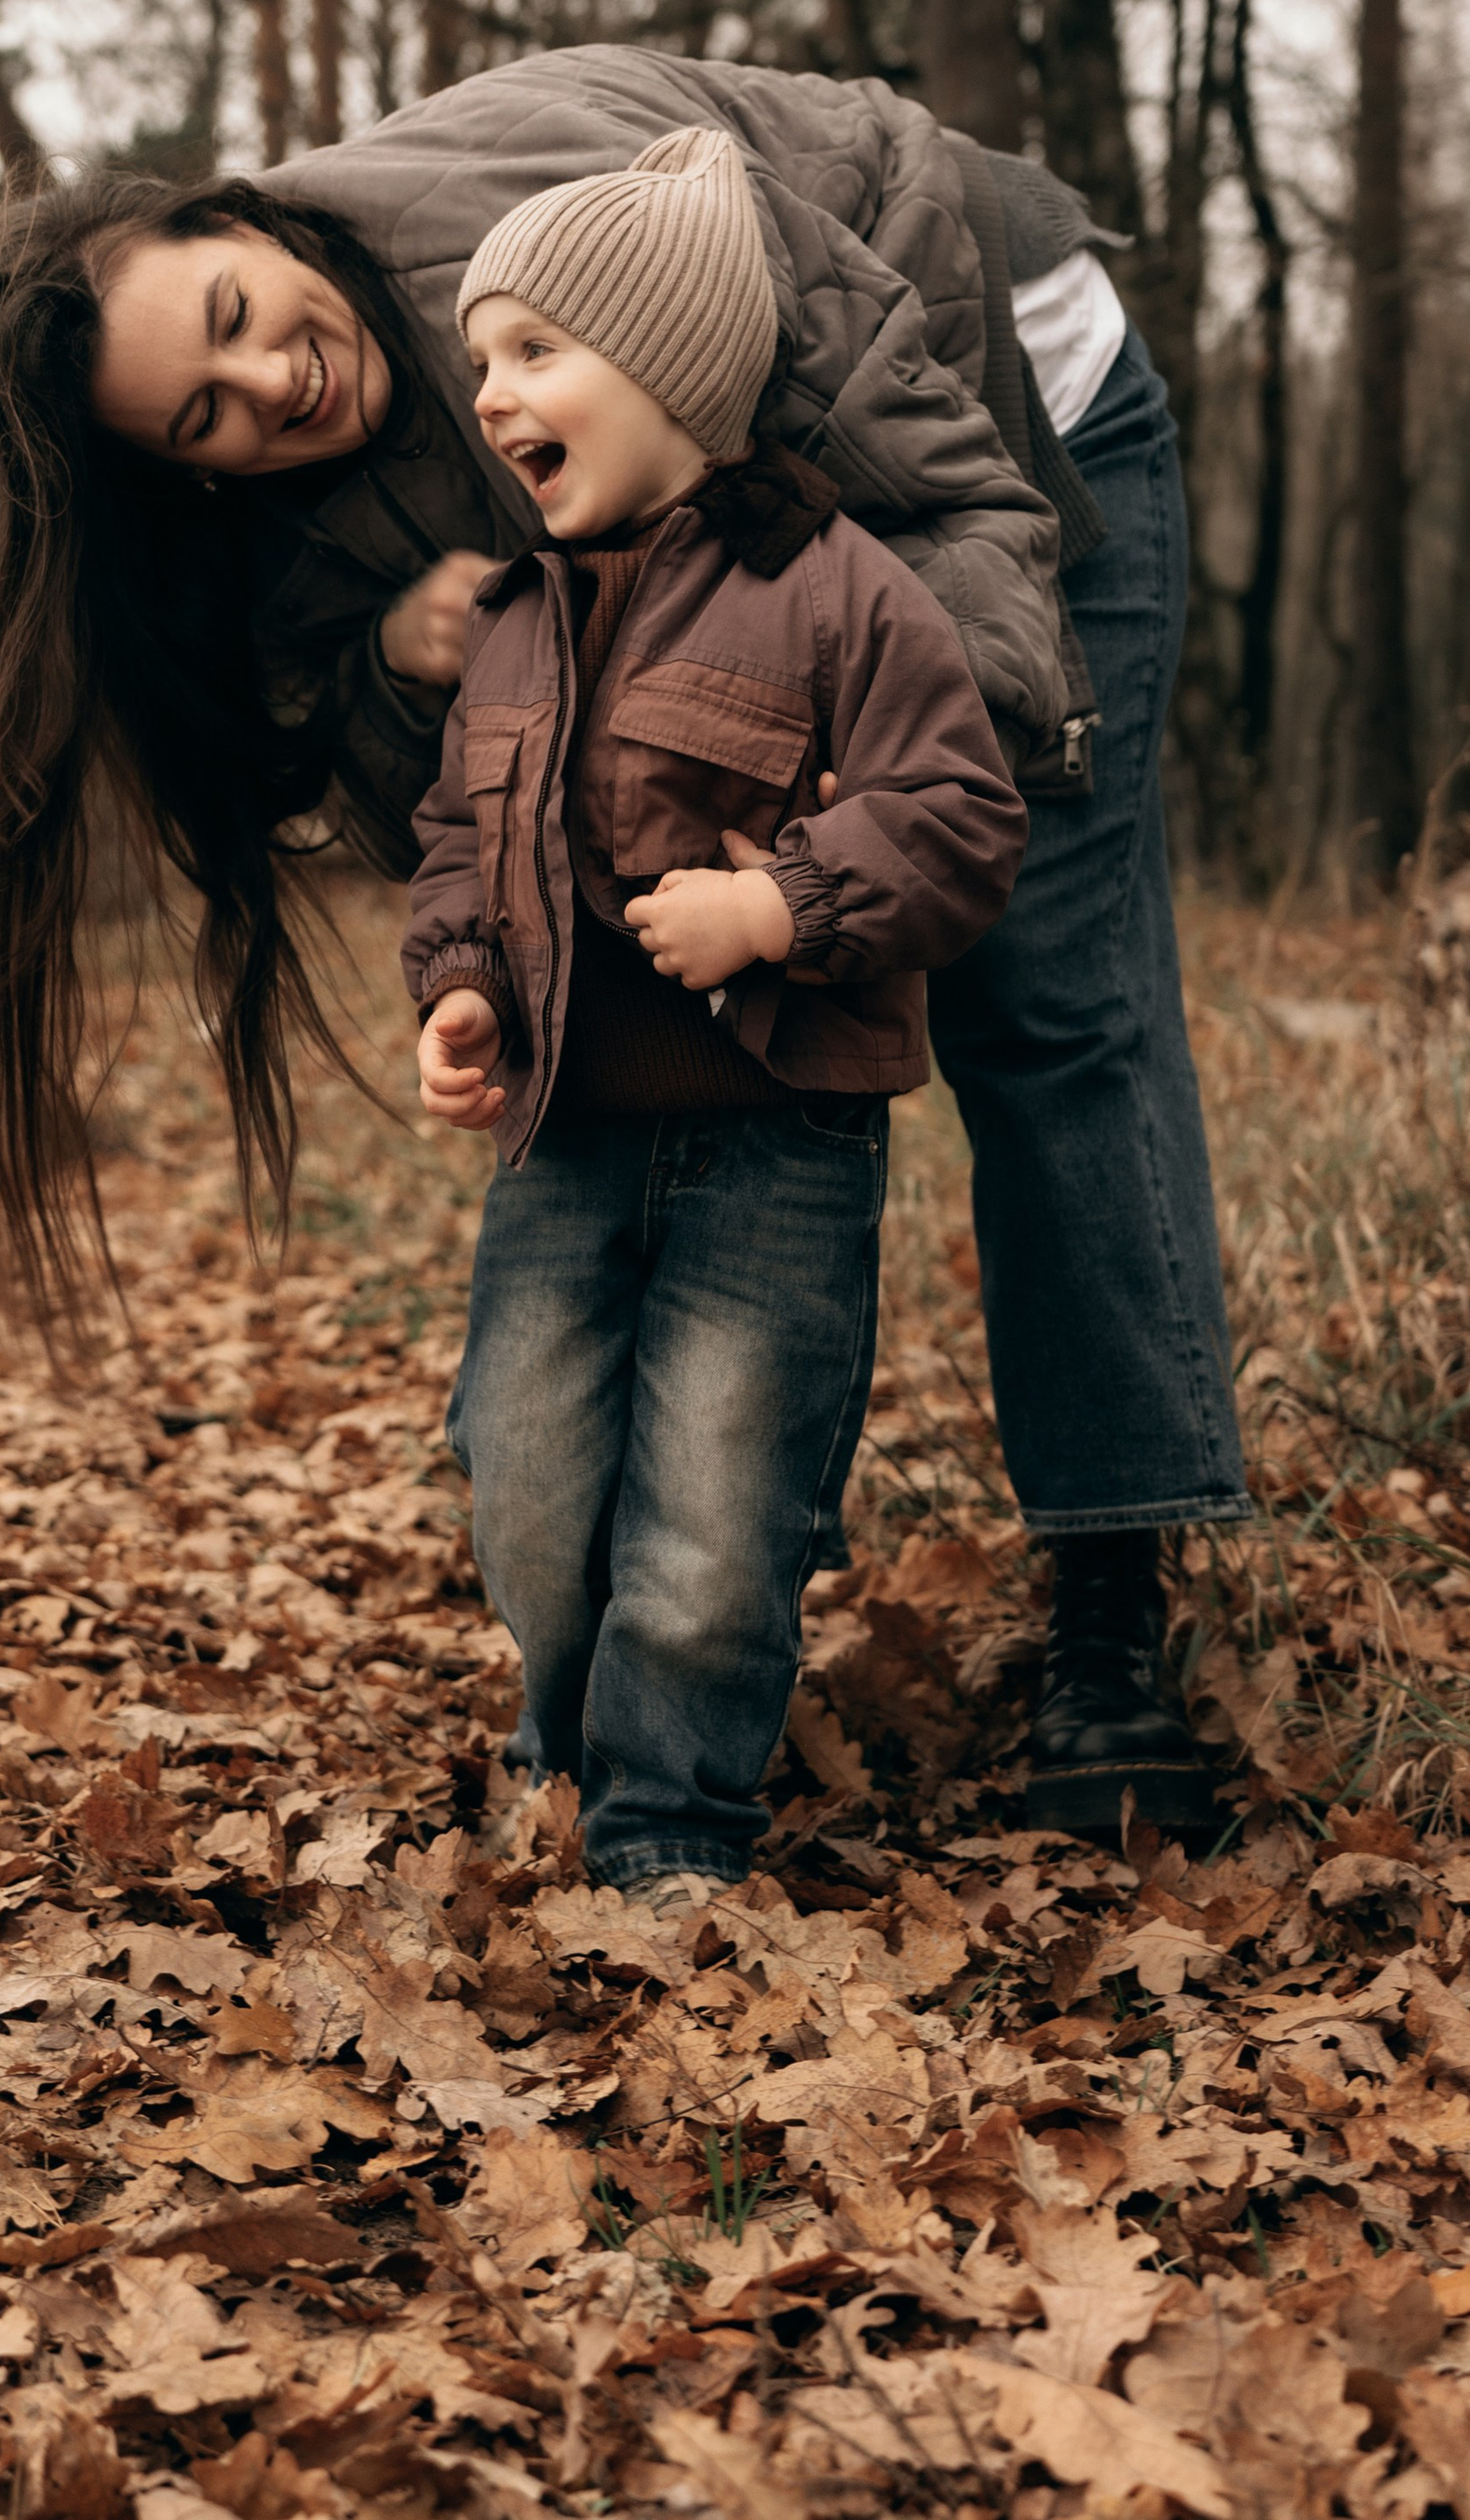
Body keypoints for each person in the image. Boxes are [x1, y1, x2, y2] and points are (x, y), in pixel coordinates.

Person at [0, 45, 1250, 1839]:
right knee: (691, 1009)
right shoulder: (293, 507)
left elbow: (948, 517)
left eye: (238, 312)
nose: (269, 380)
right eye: (207, 416)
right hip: (788, 570)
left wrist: (872, 820)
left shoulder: (543, 234)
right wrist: (411, 667)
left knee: (1042, 1003)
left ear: (234, 211)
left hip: (993, 403)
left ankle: (1110, 1599)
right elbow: (463, 822)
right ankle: (727, 1589)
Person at [405, 132, 1027, 1896]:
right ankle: (566, 1738)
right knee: (524, 1474)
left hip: (779, 1139)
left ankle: (670, 1824)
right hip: (567, 1139)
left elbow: (961, 818)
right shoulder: (515, 620)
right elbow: (459, 838)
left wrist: (784, 904)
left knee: (715, 1500)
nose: (495, 396)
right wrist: (459, 989)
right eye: (480, 367)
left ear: (670, 368)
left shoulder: (834, 587)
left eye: (536, 350)